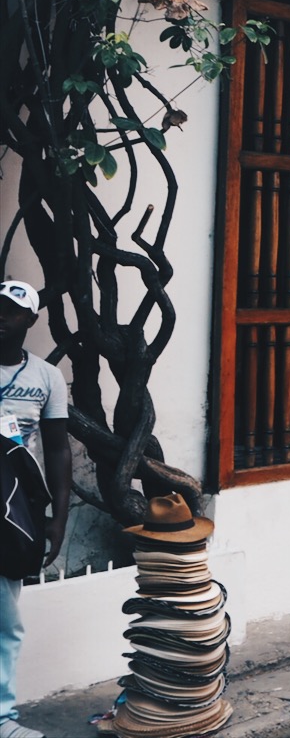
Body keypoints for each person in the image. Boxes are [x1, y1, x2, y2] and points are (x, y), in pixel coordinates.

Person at [0, 281, 71, 738]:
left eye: (10, 312)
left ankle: (2, 718)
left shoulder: (46, 377)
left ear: (30, 320)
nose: (1, 318)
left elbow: (60, 450)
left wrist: (58, 519)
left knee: (8, 619)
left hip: (13, 509)